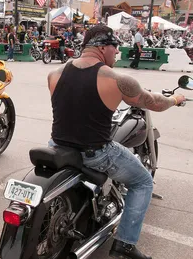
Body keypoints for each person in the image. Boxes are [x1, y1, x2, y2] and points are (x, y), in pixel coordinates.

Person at [47, 25, 185, 259]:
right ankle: (125, 245)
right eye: (115, 47)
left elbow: (73, 108)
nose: (118, 52)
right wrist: (175, 98)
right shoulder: (116, 79)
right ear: (102, 46)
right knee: (142, 182)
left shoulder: (55, 73)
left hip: (57, 146)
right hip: (96, 153)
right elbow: (155, 103)